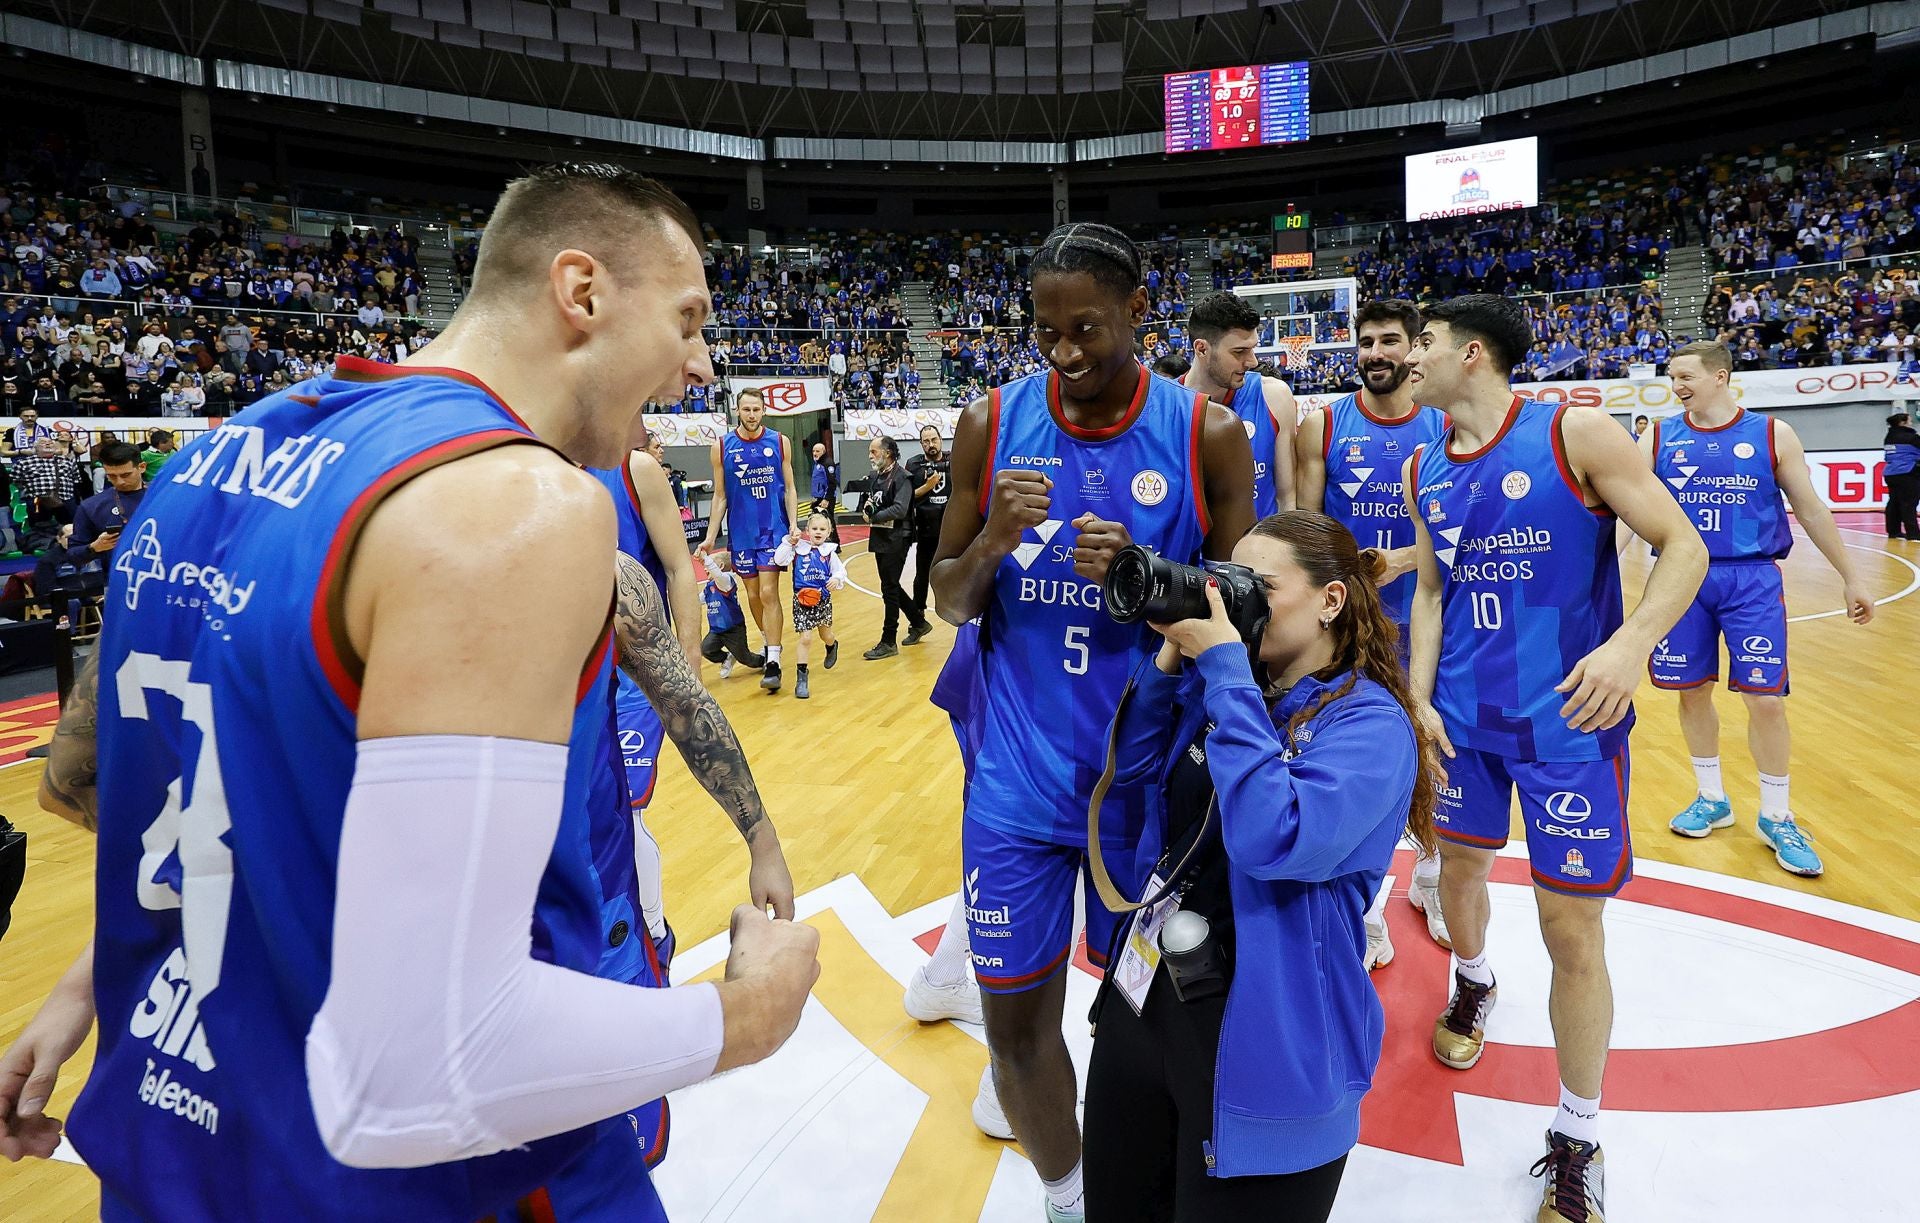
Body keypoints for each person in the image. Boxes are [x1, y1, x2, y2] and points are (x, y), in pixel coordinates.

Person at [0, 163, 821, 1219]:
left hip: (177, 1145)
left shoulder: (215, 459)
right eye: (689, 318)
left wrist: (98, 974)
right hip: (405, 1183)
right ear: (583, 292)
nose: (699, 364)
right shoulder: (516, 500)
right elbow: (422, 1067)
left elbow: (136, 785)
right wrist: (747, 1013)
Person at [928, 221, 1254, 1221]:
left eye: (1087, 329)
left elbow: (1249, 601)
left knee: (1149, 1027)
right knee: (1016, 1028)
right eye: (1045, 331)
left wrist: (1145, 579)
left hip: (1148, 797)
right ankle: (1070, 1199)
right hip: (1018, 787)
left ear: (1138, 313)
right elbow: (950, 596)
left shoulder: (1206, 434)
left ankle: (1139, 1186)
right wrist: (993, 537)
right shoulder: (992, 421)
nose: (1064, 353)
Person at [1403, 294, 1706, 1223]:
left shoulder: (1576, 433)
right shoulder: (1424, 464)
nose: (1412, 357)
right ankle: (1475, 981)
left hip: (1569, 727)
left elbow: (1682, 546)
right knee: (1457, 873)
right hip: (1463, 722)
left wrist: (1629, 647)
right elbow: (1427, 589)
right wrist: (1417, 695)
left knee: (1572, 932)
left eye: (1426, 343)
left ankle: (1577, 1132)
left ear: (1476, 354)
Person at [1082, 511, 1439, 1223]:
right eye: (1228, 578)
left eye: (1258, 585)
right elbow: (1132, 783)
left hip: (1266, 1042)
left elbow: (1271, 839)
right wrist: (1171, 662)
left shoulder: (1370, 727)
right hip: (1146, 1004)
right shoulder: (1240, 689)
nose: (1233, 597)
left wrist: (1224, 672)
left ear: (1331, 601)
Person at [1646, 341, 1875, 876]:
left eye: (1686, 377)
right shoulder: (1656, 436)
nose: (1677, 386)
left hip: (1751, 580)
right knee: (1691, 691)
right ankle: (1712, 797)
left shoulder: (1773, 434)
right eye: (1672, 378)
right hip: (1681, 578)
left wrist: (1851, 577)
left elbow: (1811, 509)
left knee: (1766, 699)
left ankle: (1776, 814)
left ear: (1721, 376)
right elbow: (1623, 512)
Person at [1294, 298, 1450, 968]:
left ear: (1415, 349)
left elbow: (1471, 526)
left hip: (1436, 614)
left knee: (1439, 752)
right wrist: (1351, 574)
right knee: (1359, 767)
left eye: (1390, 340)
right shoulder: (1323, 425)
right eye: (1366, 342)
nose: (1377, 353)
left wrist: (1403, 560)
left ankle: (1431, 877)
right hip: (1351, 626)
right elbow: (1302, 531)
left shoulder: (1446, 424)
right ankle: (1366, 905)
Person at [700, 387, 799, 692]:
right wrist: (709, 537)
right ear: (737, 410)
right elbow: (720, 496)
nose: (752, 415)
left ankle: (773, 660)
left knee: (769, 594)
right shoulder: (721, 446)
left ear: (764, 410)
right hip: (741, 533)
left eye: (756, 409)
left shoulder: (780, 442)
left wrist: (794, 525)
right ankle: (770, 646)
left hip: (773, 530)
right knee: (753, 596)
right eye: (746, 410)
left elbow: (790, 488)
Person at [1180, 291, 1297, 518]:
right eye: (1239, 351)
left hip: (1258, 549)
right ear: (1201, 349)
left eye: (1252, 348)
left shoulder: (1273, 394)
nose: (1252, 361)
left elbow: (1286, 499)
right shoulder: (1165, 406)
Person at [774, 513, 847, 698]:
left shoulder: (829, 553)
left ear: (829, 532)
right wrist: (789, 542)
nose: (818, 532)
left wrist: (836, 579)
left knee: (825, 633)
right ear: (807, 531)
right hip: (802, 600)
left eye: (822, 529)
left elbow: (840, 571)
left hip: (822, 600)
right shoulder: (798, 549)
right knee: (805, 638)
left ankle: (832, 645)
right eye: (814, 529)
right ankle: (802, 679)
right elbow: (779, 560)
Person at [860, 434, 918, 659]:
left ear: (888, 453)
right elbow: (874, 502)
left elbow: (900, 509)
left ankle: (888, 641)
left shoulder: (903, 477)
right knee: (889, 585)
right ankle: (918, 621)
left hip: (898, 538)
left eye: (874, 451)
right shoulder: (876, 476)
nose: (870, 456)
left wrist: (874, 517)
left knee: (890, 588)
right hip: (880, 538)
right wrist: (867, 508)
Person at [64, 438, 144, 580]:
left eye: (126, 475)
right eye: (112, 476)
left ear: (142, 467)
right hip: (118, 581)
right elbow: (72, 555)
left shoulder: (165, 497)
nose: (120, 481)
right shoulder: (91, 506)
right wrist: (94, 547)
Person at [905, 423, 951, 639]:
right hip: (926, 530)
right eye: (926, 441)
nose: (930, 444)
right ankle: (918, 622)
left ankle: (973, 623)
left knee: (967, 573)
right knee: (922, 576)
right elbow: (906, 497)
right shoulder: (913, 465)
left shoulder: (955, 459)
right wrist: (928, 486)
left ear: (940, 439)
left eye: (934, 439)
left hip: (954, 531)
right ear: (921, 443)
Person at [699, 549, 765, 678]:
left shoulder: (726, 581)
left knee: (746, 659)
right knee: (706, 649)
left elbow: (717, 575)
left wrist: (705, 558)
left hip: (734, 629)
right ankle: (726, 657)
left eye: (710, 564)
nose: (706, 568)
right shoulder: (709, 586)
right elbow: (697, 600)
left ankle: (765, 661)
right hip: (717, 630)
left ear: (721, 566)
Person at [1884, 411, 1920, 540]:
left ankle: (1893, 531)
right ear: (1902, 423)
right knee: (1909, 504)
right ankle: (1914, 534)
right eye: (1910, 421)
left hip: (1891, 473)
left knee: (1894, 502)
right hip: (1907, 473)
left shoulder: (1889, 436)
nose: (1911, 424)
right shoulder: (1911, 437)